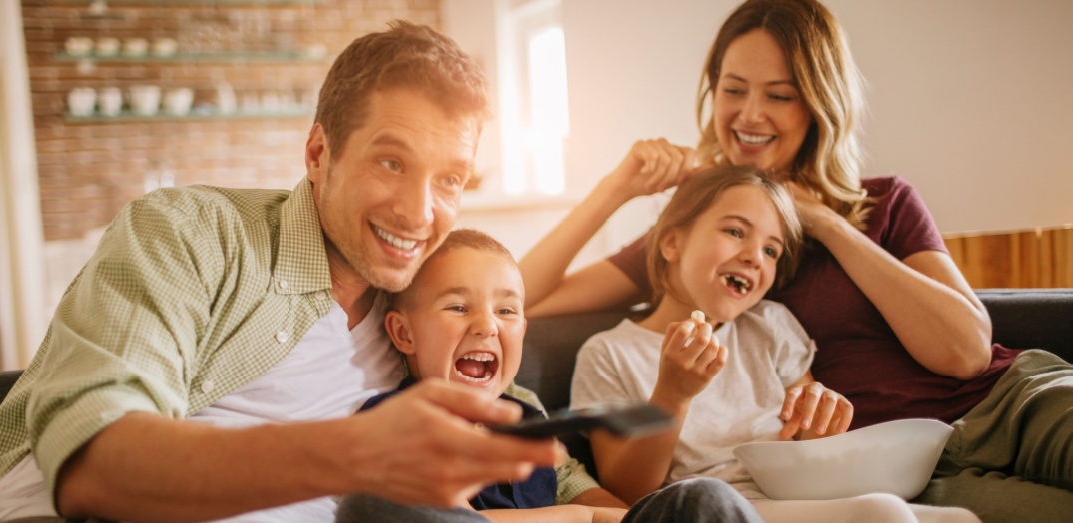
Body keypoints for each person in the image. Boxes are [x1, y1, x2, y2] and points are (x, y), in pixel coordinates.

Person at [0, 21, 564, 522]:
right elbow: (94, 463)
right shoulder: (190, 233)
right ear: (319, 154)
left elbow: (509, 366)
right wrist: (356, 454)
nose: (419, 211)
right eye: (390, 161)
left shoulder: (417, 301)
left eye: (450, 179)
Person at [520, 1, 1073, 521]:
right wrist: (613, 190)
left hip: (1008, 403)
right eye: (733, 89)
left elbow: (968, 352)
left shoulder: (883, 202)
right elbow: (520, 297)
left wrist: (825, 221)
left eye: (780, 95)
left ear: (817, 103)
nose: (750, 114)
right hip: (908, 466)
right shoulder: (698, 239)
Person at [570, 165, 977, 523]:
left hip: (794, 497)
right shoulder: (608, 353)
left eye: (771, 250)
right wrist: (671, 396)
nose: (754, 257)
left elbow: (808, 447)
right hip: (719, 507)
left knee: (959, 519)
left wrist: (820, 422)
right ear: (671, 243)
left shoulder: (770, 324)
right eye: (734, 232)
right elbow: (627, 493)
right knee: (881, 513)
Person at [337, 228, 765, 523]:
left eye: (507, 311)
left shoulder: (529, 419)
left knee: (703, 498)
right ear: (402, 332)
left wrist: (607, 514)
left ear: (523, 329)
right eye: (458, 307)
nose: (488, 326)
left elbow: (606, 508)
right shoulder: (397, 421)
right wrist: (582, 518)